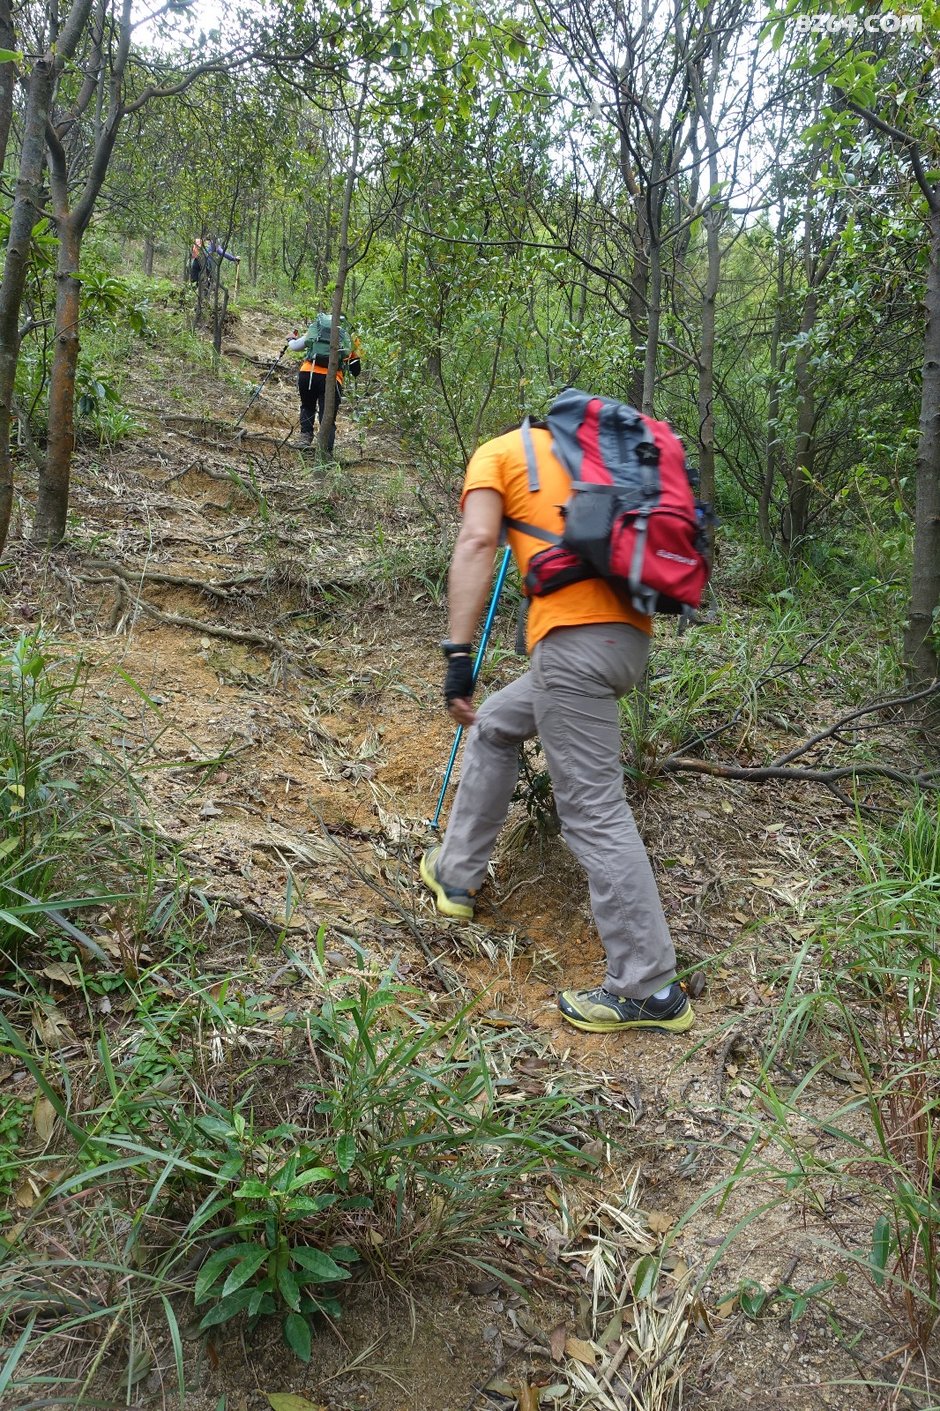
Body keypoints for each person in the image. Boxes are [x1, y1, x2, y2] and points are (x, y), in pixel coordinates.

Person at [419, 412, 694, 1037]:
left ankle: (649, 986)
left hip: (572, 647)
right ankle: (456, 874)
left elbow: (476, 544)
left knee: (593, 809)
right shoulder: (596, 459)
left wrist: (458, 656)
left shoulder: (497, 453)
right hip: (623, 640)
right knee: (494, 723)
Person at [287, 315, 362, 450]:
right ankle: (325, 452)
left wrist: (291, 339)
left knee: (307, 406)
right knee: (327, 416)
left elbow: (295, 347)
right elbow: (356, 370)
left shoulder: (316, 330)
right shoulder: (349, 338)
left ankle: (305, 438)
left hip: (307, 373)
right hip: (332, 379)